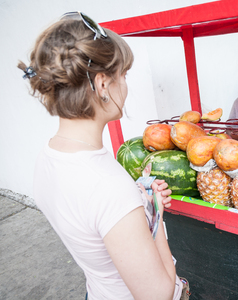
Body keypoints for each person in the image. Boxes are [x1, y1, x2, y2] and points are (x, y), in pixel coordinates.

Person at [18, 12, 189, 300]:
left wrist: (137, 201)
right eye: (123, 74)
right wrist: (155, 213)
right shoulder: (108, 186)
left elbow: (91, 219)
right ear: (101, 84)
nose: (125, 85)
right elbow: (158, 294)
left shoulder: (48, 155)